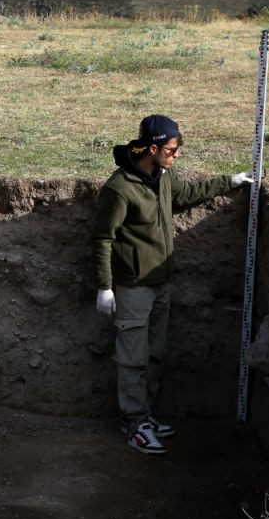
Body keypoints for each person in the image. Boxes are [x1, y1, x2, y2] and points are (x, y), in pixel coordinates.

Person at [91, 115, 251, 455]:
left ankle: (145, 415)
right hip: (133, 286)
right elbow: (103, 238)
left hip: (161, 282)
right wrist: (105, 287)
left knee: (154, 353)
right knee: (132, 358)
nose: (177, 155)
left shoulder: (162, 177)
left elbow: (189, 193)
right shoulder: (120, 189)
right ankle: (134, 424)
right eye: (172, 149)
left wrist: (231, 181)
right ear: (153, 148)